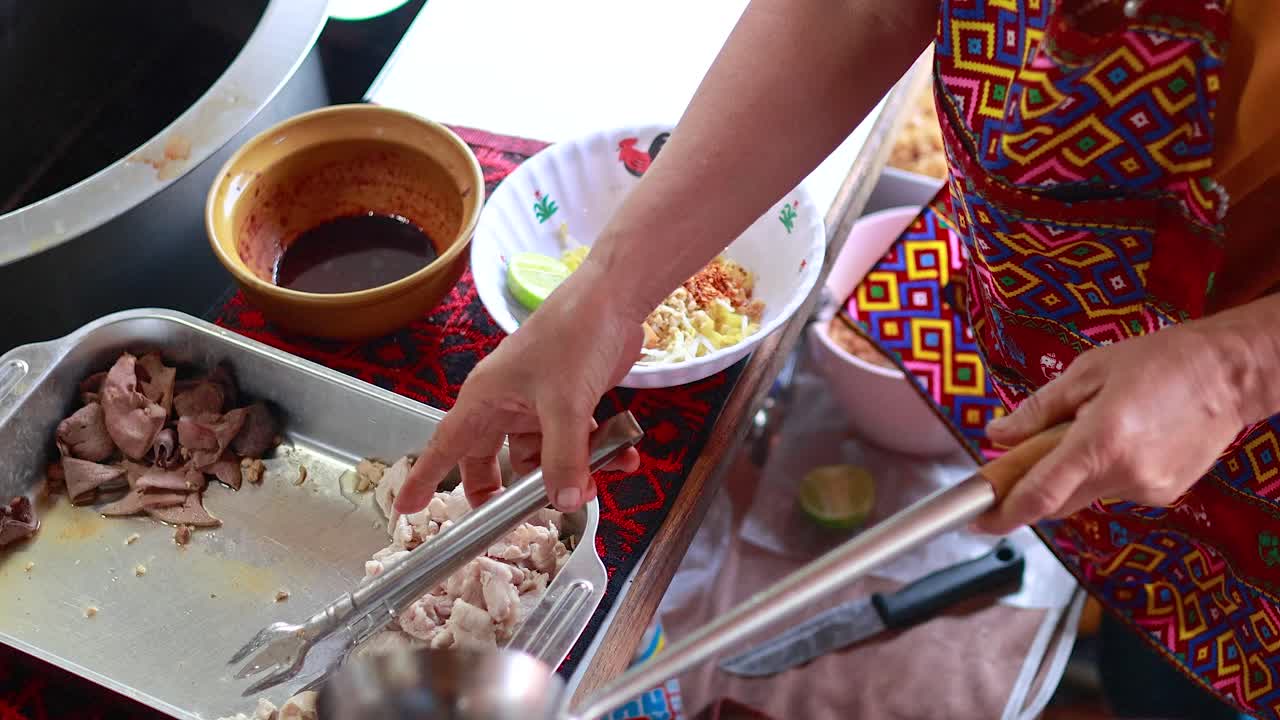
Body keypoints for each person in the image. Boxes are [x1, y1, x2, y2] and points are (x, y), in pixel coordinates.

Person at [396, 0, 1280, 715]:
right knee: (1143, 653)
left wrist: (1235, 368)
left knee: (1204, 684)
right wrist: (605, 292)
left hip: (1257, 447)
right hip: (1053, 316)